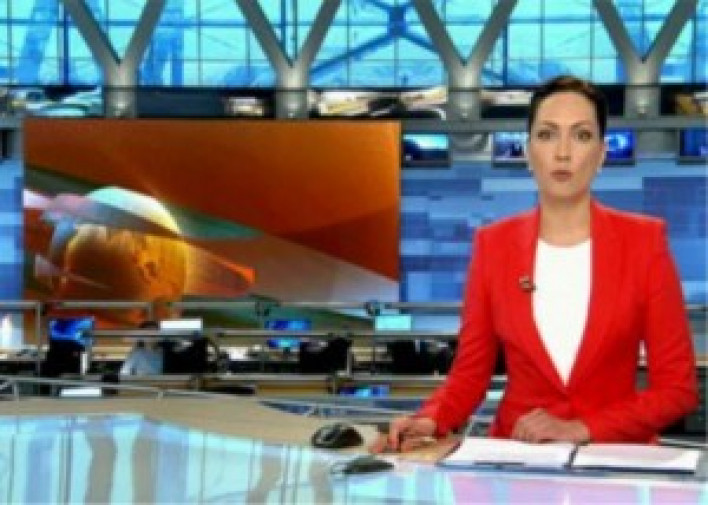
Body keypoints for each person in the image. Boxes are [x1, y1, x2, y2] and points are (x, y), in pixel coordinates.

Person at [372, 75, 698, 452]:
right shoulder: (493, 245)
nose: (563, 152)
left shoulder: (644, 241)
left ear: (601, 154)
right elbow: (470, 374)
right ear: (528, 151)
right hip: (518, 458)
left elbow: (677, 389)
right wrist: (430, 419)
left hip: (610, 458)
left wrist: (582, 428)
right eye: (547, 135)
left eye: (581, 136)